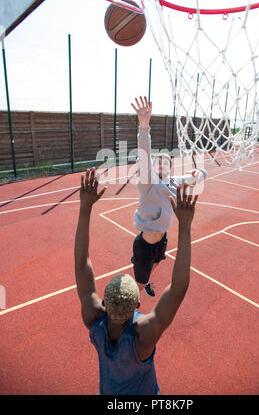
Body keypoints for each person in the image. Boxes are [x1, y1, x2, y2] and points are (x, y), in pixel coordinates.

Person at [74, 167, 198, 395]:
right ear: (137, 306)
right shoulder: (141, 336)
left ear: (103, 303)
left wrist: (84, 208)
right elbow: (179, 289)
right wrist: (185, 225)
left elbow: (82, 262)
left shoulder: (94, 321)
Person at [130, 95, 207, 296]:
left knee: (157, 264)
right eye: (158, 163)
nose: (162, 164)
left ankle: (144, 281)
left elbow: (198, 178)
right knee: (136, 286)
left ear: (171, 168)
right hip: (145, 244)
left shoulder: (174, 181)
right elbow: (145, 154)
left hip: (162, 239)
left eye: (166, 162)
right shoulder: (149, 182)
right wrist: (144, 127)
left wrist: (200, 173)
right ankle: (135, 295)